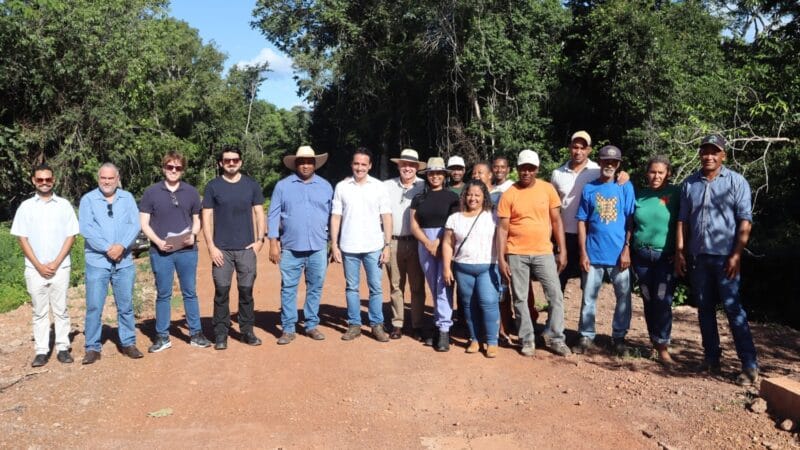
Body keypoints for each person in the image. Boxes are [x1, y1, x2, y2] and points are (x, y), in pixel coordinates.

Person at [676, 134, 758, 386]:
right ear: (700, 154)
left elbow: (745, 220)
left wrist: (736, 255)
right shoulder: (690, 184)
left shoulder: (736, 182)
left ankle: (749, 366)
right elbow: (683, 220)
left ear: (723, 155)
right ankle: (711, 358)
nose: (709, 156)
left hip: (725, 259)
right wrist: (680, 251)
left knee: (734, 310)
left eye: (715, 152)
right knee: (704, 310)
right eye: (705, 151)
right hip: (698, 258)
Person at [496, 150, 571, 357]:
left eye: (531, 168)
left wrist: (562, 250)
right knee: (520, 298)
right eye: (523, 168)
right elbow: (502, 229)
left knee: (555, 295)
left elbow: (556, 221)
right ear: (518, 169)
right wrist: (501, 258)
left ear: (537, 169)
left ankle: (556, 338)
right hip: (516, 252)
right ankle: (527, 339)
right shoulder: (509, 193)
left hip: (543, 252)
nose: (526, 172)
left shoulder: (547, 189)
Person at [139, 151, 209, 353]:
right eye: (170, 167)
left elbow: (197, 220)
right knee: (163, 294)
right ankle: (162, 336)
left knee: (190, 292)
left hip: (187, 250)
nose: (173, 171)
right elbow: (144, 223)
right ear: (164, 168)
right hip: (161, 251)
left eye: (178, 168)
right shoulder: (151, 192)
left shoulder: (191, 192)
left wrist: (194, 235)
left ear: (182, 170)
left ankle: (195, 333)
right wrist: (158, 242)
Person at [11, 164, 79, 367]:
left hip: (61, 267)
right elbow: (22, 238)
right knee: (39, 311)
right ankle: (41, 350)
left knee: (61, 309)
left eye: (48, 179)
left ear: (54, 180)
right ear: (33, 181)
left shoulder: (64, 205)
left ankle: (62, 348)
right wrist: (39, 265)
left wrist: (56, 262)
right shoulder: (25, 207)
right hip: (34, 269)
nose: (44, 183)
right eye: (40, 180)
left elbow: (71, 235)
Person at [573, 145, 635, 356]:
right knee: (588, 298)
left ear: (618, 164)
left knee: (623, 298)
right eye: (606, 161)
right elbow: (581, 221)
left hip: (619, 255)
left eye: (614, 162)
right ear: (600, 162)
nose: (609, 165)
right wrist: (583, 252)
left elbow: (630, 220)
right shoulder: (589, 188)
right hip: (593, 253)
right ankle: (586, 336)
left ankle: (618, 338)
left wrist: (627, 249)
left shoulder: (625, 186)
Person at [202, 146, 266, 350]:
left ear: (241, 162)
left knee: (246, 292)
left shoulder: (251, 185)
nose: (231, 163)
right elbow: (207, 217)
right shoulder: (213, 186)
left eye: (235, 160)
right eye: (227, 160)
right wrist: (211, 246)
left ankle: (247, 331)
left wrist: (259, 240)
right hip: (222, 250)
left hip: (246, 249)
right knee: (221, 292)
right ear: (221, 163)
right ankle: (220, 334)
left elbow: (258, 213)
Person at [79, 163, 143, 364]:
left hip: (123, 262)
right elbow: (86, 229)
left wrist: (122, 246)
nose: (107, 182)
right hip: (97, 261)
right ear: (98, 178)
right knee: (94, 306)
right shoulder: (88, 199)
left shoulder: (128, 198)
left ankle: (128, 343)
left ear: (117, 178)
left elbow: (135, 224)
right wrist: (109, 248)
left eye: (110, 178)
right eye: (103, 178)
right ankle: (92, 347)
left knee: (125, 305)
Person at [268, 146, 333, 345]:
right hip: (290, 247)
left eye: (309, 162)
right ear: (296, 164)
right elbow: (273, 214)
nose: (305, 165)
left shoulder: (325, 186)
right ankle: (288, 328)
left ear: (315, 164)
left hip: (318, 247)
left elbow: (333, 216)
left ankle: (311, 324)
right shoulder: (283, 186)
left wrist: (333, 243)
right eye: (302, 162)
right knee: (288, 288)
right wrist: (273, 243)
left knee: (315, 287)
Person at [330, 147, 393, 342]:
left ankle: (376, 325)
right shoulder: (342, 187)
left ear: (370, 166)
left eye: (364, 164)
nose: (360, 167)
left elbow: (387, 216)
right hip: (349, 246)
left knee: (376, 288)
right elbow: (336, 217)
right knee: (352, 287)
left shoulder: (379, 187)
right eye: (356, 163)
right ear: (352, 164)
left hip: (374, 245)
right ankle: (354, 324)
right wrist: (334, 244)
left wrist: (387, 245)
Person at [442, 180, 501, 358]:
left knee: (488, 302)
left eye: (477, 195)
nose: (472, 198)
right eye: (469, 194)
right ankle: (474, 339)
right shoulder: (454, 218)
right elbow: (447, 243)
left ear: (484, 197)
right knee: (468, 305)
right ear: (464, 196)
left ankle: (492, 342)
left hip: (487, 266)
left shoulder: (493, 216)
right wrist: (446, 267)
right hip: (463, 267)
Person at [632, 155, 680, 365]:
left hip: (665, 257)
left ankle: (663, 346)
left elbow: (683, 223)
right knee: (648, 298)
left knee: (663, 300)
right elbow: (630, 224)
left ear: (668, 173)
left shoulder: (676, 193)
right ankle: (654, 340)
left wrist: (681, 252)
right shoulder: (639, 195)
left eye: (661, 172)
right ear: (647, 173)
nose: (656, 176)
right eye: (653, 172)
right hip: (641, 256)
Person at [410, 157, 460, 351]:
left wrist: (439, 242)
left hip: (446, 242)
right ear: (427, 175)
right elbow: (414, 225)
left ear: (444, 175)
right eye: (432, 173)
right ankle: (439, 326)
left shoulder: (452, 197)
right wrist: (427, 243)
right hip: (425, 244)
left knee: (444, 285)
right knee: (433, 285)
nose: (435, 176)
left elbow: (454, 222)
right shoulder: (419, 198)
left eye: (439, 173)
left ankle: (444, 330)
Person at [383, 149, 427, 340]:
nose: (407, 168)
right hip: (393, 241)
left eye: (411, 165)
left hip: (416, 242)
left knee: (417, 286)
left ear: (417, 167)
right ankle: (397, 323)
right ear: (398, 166)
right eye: (404, 164)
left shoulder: (425, 186)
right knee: (395, 285)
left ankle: (417, 324)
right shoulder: (386, 186)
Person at [551, 131, 600, 292]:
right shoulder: (558, 174)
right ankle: (555, 316)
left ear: (589, 150)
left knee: (588, 283)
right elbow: (553, 207)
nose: (578, 151)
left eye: (582, 148)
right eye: (575, 147)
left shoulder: (597, 171)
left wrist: (624, 177)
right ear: (569, 148)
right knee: (558, 279)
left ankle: (586, 317)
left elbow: (613, 184)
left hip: (589, 234)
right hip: (564, 234)